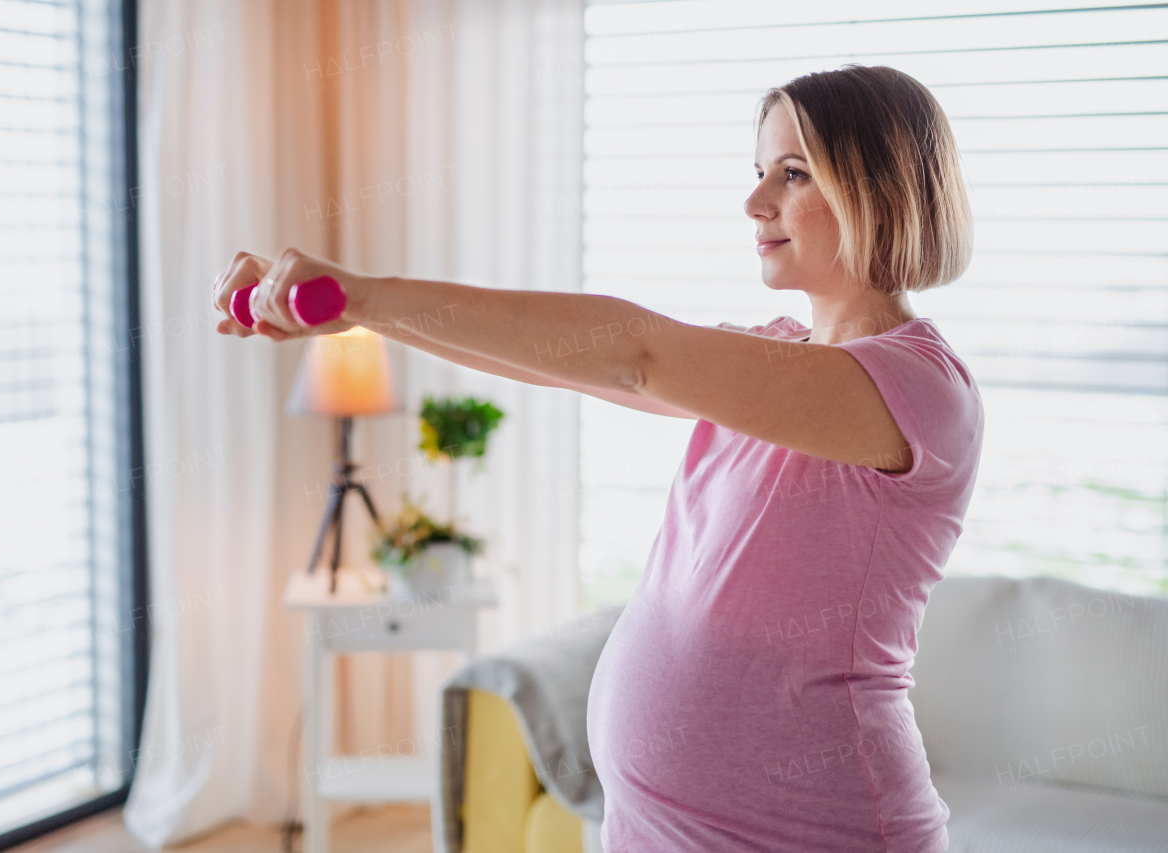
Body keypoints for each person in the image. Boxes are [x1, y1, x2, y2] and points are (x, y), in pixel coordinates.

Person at [214, 63, 981, 853]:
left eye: (793, 175)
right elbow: (557, 359)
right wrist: (348, 312)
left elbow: (634, 353)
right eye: (758, 173)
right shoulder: (775, 360)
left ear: (881, 190)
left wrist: (363, 294)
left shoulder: (915, 385)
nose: (755, 203)